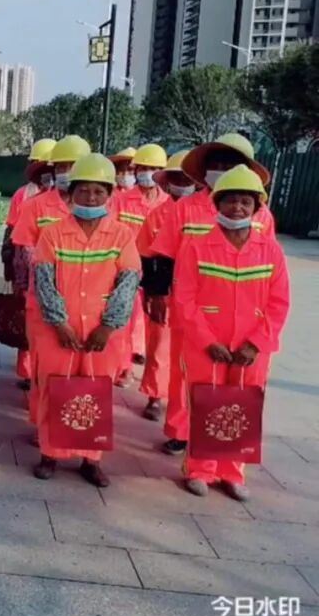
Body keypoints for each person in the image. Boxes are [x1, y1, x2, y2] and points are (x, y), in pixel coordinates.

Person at [144, 133, 275, 456]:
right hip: (191, 306)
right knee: (185, 371)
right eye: (216, 164)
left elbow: (271, 265)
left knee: (237, 383)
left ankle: (224, 445)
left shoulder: (261, 215)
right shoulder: (185, 208)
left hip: (245, 312)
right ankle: (180, 430)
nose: (222, 170)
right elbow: (163, 254)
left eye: (230, 164)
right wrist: (157, 294)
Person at [173, 165, 290, 500]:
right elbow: (184, 299)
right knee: (206, 402)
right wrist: (207, 341)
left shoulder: (271, 250)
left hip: (251, 348)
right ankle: (199, 469)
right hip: (206, 344)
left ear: (256, 207)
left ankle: (232, 472)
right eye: (230, 200)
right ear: (217, 203)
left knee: (243, 405)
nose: (237, 207)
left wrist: (256, 343)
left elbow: (280, 302)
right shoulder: (196, 247)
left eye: (245, 202)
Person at [30, 153, 140, 487]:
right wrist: (59, 323)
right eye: (83, 190)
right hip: (57, 330)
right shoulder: (53, 234)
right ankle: (50, 454)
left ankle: (91, 459)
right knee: (54, 388)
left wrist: (108, 326)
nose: (91, 198)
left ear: (110, 194)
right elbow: (43, 280)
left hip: (101, 332)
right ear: (71, 193)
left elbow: (128, 282)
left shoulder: (121, 235)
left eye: (98, 191)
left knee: (96, 393)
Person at [11, 134, 92, 424]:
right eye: (60, 166)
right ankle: (44, 428)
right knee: (45, 370)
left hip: (89, 306)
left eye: (73, 165)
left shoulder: (103, 207)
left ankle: (81, 434)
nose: (66, 172)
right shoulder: (35, 205)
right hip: (43, 303)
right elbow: (24, 250)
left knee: (87, 374)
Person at [134, 150, 193, 421]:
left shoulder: (209, 213)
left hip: (198, 294)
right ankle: (155, 396)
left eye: (187, 179)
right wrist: (153, 293)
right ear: (168, 182)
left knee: (191, 352)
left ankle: (185, 403)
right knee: (159, 344)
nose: (182, 184)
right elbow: (147, 255)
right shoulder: (158, 215)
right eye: (177, 178)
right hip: (165, 290)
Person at [110, 143, 168, 386]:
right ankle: (123, 368)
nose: (147, 173)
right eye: (142, 168)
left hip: (156, 272)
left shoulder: (167, 203)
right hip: (127, 269)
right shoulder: (122, 200)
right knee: (126, 319)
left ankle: (153, 381)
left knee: (155, 327)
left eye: (152, 168)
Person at [2, 138, 56, 389]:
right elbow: (12, 231)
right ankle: (27, 371)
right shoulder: (23, 196)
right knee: (28, 320)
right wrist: (10, 265)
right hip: (27, 268)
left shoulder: (73, 200)